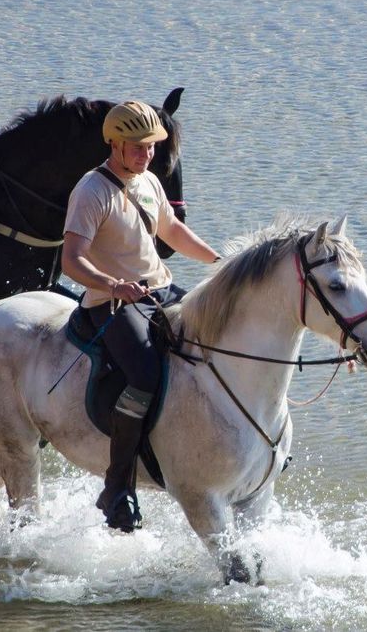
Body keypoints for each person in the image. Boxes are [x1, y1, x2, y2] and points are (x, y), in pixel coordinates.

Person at [61, 100, 222, 532]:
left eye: (151, 145)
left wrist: (219, 263)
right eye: (136, 145)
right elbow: (71, 261)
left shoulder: (149, 180)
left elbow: (172, 231)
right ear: (114, 142)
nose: (146, 153)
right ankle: (118, 486)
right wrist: (113, 285)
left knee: (213, 337)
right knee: (146, 375)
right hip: (111, 302)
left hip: (158, 289)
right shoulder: (92, 191)